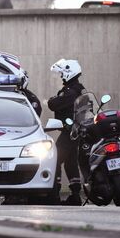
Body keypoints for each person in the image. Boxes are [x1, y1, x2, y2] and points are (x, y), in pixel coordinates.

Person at [47, 59, 85, 206]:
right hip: (76, 132)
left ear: (69, 73)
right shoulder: (80, 89)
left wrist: (53, 99)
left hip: (70, 132)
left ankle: (53, 194)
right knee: (70, 163)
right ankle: (75, 195)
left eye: (62, 74)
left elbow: (53, 104)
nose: (61, 77)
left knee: (54, 159)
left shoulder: (70, 92)